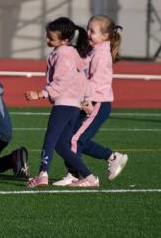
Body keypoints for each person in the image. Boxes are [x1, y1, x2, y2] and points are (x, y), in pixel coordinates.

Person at [53, 15, 128, 186]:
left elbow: (96, 82)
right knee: (74, 139)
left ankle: (77, 175)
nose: (87, 33)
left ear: (105, 36)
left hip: (97, 103)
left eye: (92, 31)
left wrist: (88, 100)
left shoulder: (101, 55)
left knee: (74, 140)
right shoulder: (94, 49)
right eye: (87, 29)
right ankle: (112, 156)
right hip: (87, 101)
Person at [25, 17, 99, 188]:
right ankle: (90, 177)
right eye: (48, 36)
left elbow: (61, 81)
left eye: (51, 38)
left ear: (65, 39)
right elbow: (82, 79)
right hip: (74, 106)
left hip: (64, 104)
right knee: (61, 146)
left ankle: (42, 174)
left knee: (50, 139)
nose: (47, 40)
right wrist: (87, 98)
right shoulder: (73, 54)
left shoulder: (62, 55)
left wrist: (41, 94)